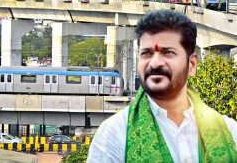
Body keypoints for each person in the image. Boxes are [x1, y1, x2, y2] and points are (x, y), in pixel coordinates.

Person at [87, 9, 237, 163]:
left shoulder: (229, 133)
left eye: (168, 53)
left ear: (192, 65)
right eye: (147, 53)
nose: (155, 62)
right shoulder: (114, 135)